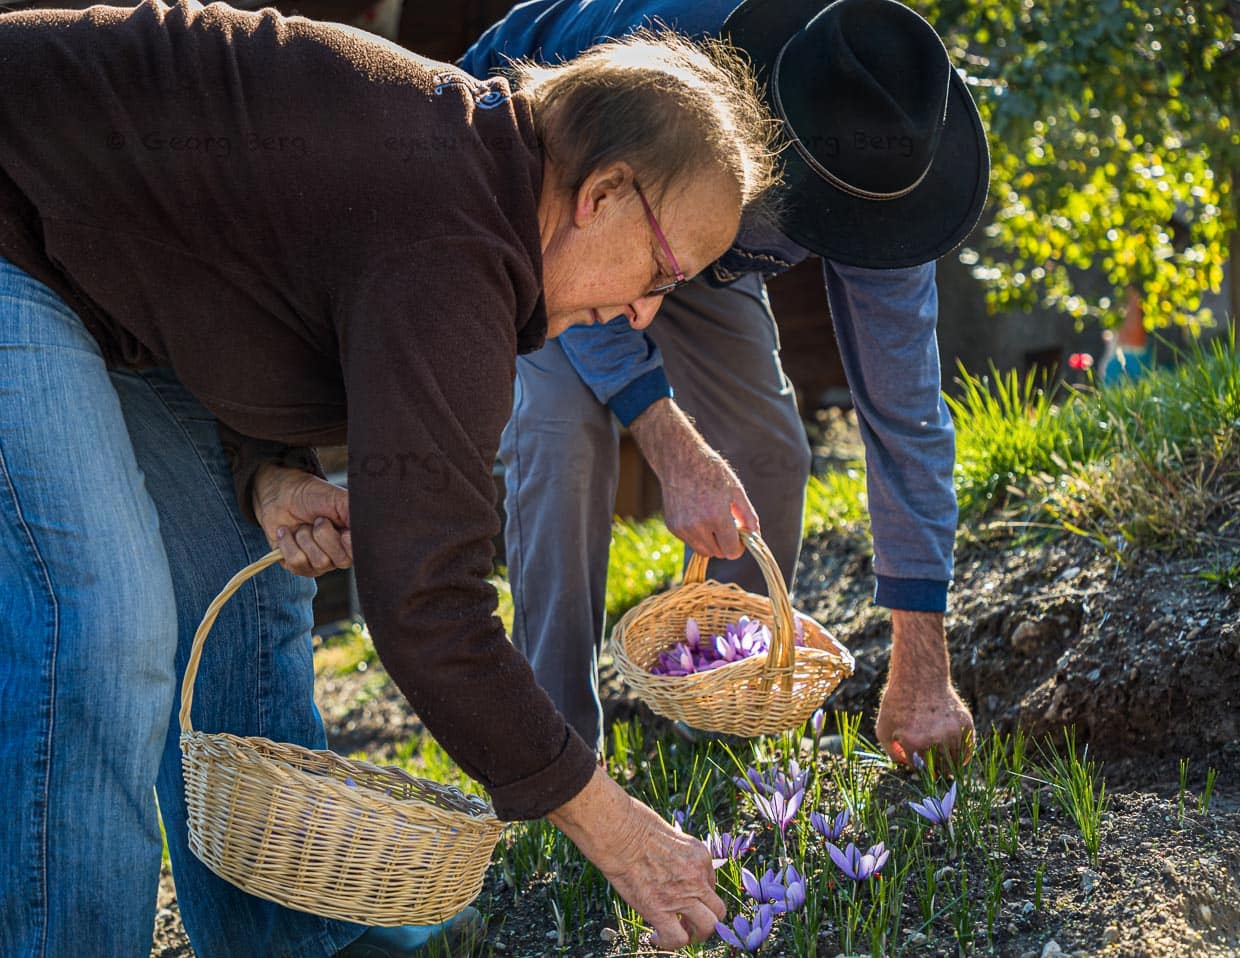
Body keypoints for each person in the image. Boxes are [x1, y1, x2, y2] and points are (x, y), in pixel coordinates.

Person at [0, 1, 778, 954]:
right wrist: (621, 834)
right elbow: (429, 604)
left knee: (249, 606)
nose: (647, 313)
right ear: (603, 194)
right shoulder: (455, 238)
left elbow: (217, 278)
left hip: (96, 270)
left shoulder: (469, 184)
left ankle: (282, 946)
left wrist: (267, 476)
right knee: (101, 624)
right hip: (14, 220)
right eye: (662, 271)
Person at [460, 0, 989, 765]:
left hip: (701, 242)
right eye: (829, 214)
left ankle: (716, 710)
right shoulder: (670, 65)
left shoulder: (894, 165)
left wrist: (923, 668)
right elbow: (587, 233)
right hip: (549, 204)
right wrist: (669, 443)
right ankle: (553, 755)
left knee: (769, 453)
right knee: (565, 436)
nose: (849, 235)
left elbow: (905, 413)